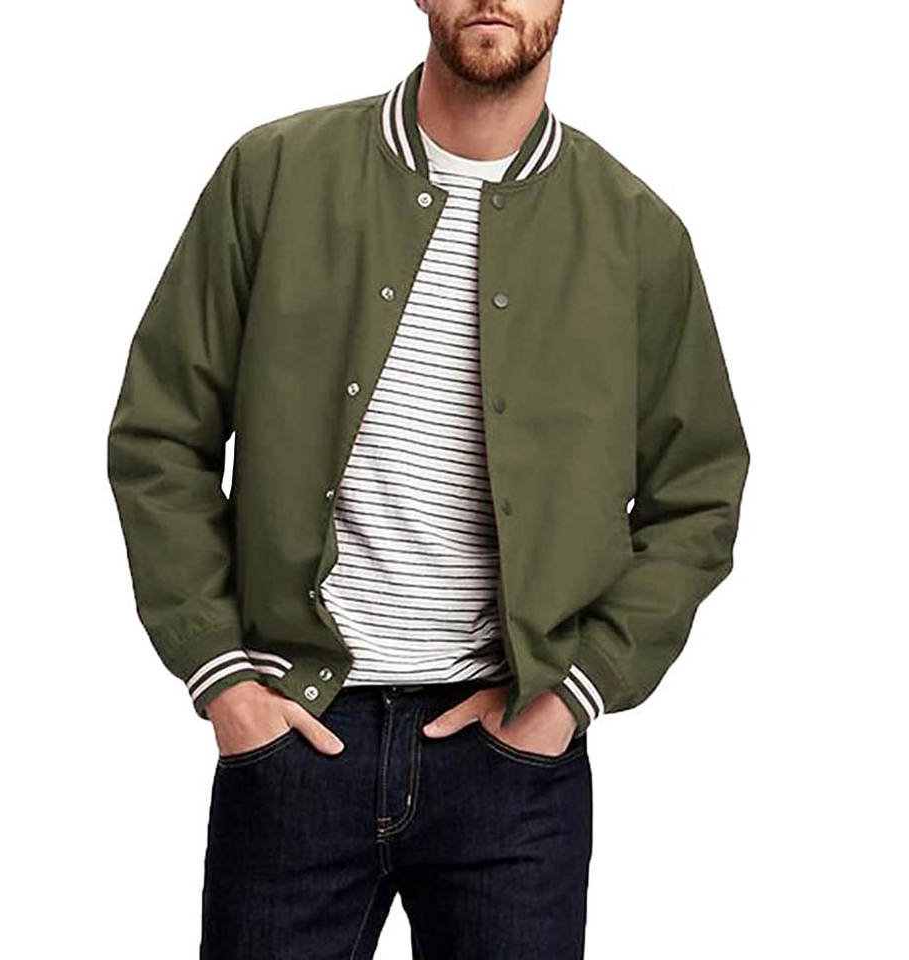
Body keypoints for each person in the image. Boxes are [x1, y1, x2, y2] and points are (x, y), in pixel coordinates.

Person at [106, 1, 750, 956]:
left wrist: (574, 693)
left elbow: (699, 492)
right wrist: (225, 681)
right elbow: (161, 433)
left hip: (513, 766)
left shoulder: (638, 235)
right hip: (294, 738)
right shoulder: (274, 174)